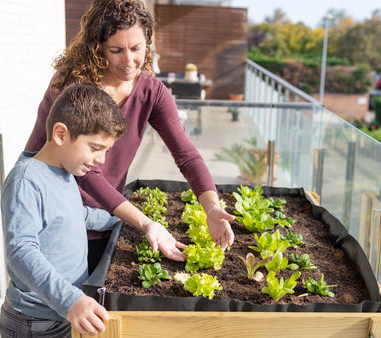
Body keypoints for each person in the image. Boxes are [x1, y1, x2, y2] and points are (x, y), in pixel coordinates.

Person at [25, 0, 235, 270]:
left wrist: (211, 207)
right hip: (55, 213)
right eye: (116, 50)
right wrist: (145, 223)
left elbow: (186, 155)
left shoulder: (152, 91)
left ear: (148, 41)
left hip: (104, 215)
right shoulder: (72, 86)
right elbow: (85, 172)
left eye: (137, 48)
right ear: (97, 47)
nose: (129, 61)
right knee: (63, 304)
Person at [0, 83, 127, 337]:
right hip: (35, 322)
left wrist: (117, 221)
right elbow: (21, 251)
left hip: (61, 312)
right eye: (95, 148)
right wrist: (70, 300)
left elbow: (77, 215)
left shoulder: (64, 172)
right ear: (60, 134)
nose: (101, 159)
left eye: (105, 150)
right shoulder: (26, 180)